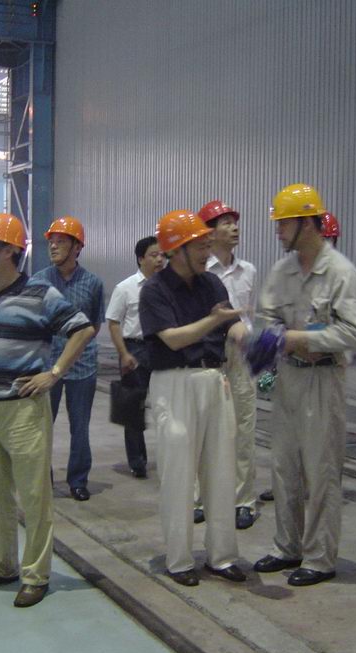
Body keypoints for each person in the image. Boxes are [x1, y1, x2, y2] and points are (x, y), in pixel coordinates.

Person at [0, 213, 94, 608]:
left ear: (8, 251)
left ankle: (36, 575)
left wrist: (53, 373)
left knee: (35, 498)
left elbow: (82, 328)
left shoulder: (40, 294)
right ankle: (2, 565)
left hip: (24, 411)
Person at [252, 185, 356, 587]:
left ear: (307, 223)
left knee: (321, 471)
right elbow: (266, 316)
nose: (278, 231)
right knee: (284, 467)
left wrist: (299, 338)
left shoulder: (340, 272)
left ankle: (319, 558)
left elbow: (354, 332)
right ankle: (287, 546)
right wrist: (270, 337)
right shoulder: (281, 271)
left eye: (284, 223)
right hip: (289, 377)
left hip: (323, 380)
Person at [140, 209, 248, 587]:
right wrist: (214, 321)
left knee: (221, 472)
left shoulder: (212, 284)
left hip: (214, 379)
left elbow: (231, 323)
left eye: (206, 245)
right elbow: (173, 339)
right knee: (179, 476)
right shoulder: (154, 290)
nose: (207, 252)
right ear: (177, 249)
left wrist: (246, 336)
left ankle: (222, 556)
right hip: (174, 384)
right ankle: (180, 560)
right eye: (200, 246)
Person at [260, 210, 344, 504]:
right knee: (286, 445)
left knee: (322, 448)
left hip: (324, 372)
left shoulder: (340, 277)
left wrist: (308, 339)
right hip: (289, 368)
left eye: (329, 241)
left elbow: (346, 331)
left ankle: (316, 490)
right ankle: (288, 490)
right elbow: (271, 320)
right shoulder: (286, 274)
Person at [192, 199, 258, 530]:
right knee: (205, 429)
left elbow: (250, 315)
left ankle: (243, 500)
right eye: (226, 222)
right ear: (209, 232)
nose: (234, 228)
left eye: (235, 222)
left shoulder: (249, 272)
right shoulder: (200, 272)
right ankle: (201, 498)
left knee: (244, 427)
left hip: (241, 354)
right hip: (209, 355)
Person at [31, 216, 105, 501]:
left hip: (82, 366)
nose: (53, 246)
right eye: (52, 241)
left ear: (77, 247)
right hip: (46, 366)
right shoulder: (39, 281)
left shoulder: (92, 283)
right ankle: (43, 480)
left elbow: (94, 325)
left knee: (80, 428)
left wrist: (76, 347)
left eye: (61, 241)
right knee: (41, 427)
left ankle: (78, 481)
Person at [105, 236, 165, 478]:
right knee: (133, 409)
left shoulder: (168, 286)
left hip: (162, 348)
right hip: (135, 349)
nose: (160, 259)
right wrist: (124, 353)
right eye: (154, 255)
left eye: (162, 255)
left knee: (165, 405)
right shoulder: (125, 288)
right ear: (141, 259)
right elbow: (113, 322)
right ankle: (137, 462)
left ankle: (169, 458)